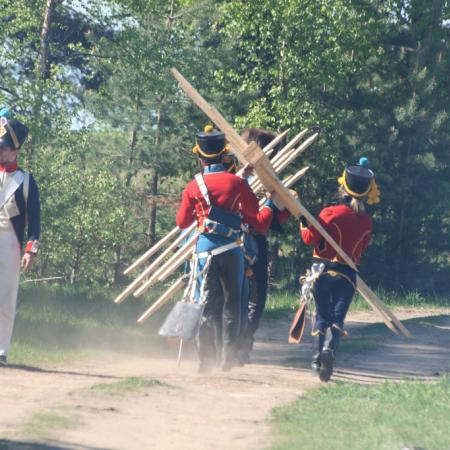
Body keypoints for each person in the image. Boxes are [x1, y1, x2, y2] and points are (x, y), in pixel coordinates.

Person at [175, 125, 272, 373]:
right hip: (232, 251)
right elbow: (258, 221)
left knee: (206, 306)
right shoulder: (237, 183)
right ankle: (228, 358)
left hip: (205, 252)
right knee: (233, 305)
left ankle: (206, 360)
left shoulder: (193, 186)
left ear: (200, 156)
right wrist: (271, 202)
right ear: (224, 154)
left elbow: (181, 223)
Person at [299, 157, 379, 382]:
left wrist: (302, 222)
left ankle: (316, 361)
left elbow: (309, 238)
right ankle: (329, 351)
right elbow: (361, 250)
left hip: (321, 271)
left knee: (321, 316)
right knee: (337, 317)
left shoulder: (329, 212)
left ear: (343, 185)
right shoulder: (366, 222)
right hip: (347, 274)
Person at [238, 128, 291, 363]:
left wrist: (285, 205)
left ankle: (237, 343)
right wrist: (272, 200)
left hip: (230, 241)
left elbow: (275, 220)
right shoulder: (250, 180)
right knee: (255, 299)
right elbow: (261, 223)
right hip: (249, 243)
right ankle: (241, 342)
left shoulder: (234, 173)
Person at [0, 109, 40, 365]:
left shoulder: (26, 181)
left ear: (15, 150)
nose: (1, 151)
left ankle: (1, 350)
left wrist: (30, 250)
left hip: (10, 245)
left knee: (6, 297)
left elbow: (35, 222)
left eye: (4, 148)